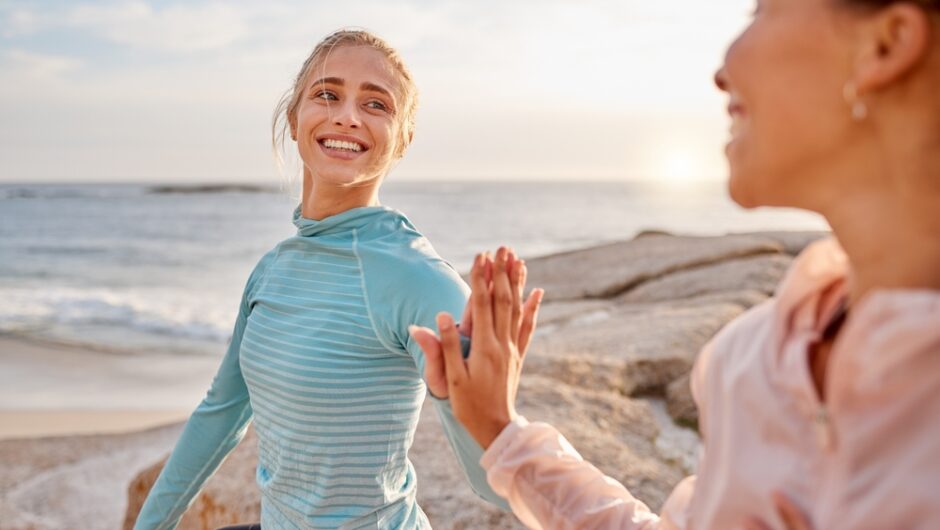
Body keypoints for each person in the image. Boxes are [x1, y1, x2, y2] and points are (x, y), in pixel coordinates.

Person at [411, 0, 940, 528]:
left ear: (886, 44)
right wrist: (500, 430)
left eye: (761, 10)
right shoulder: (763, 350)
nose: (720, 73)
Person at [133, 29, 508, 530]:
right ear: (294, 119)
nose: (347, 115)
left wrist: (486, 407)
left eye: (376, 105)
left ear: (404, 140)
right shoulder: (272, 269)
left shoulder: (421, 281)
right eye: (327, 94)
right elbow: (221, 413)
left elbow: (495, 482)